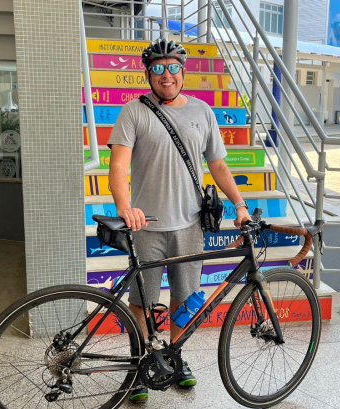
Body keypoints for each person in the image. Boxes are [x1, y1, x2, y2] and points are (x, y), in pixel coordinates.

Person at [108, 38, 251, 403]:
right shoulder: (133, 112)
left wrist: (239, 204)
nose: (166, 75)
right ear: (148, 74)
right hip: (146, 227)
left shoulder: (202, 112)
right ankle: (139, 365)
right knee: (141, 301)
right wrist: (125, 206)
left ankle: (176, 357)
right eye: (158, 68)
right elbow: (119, 165)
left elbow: (218, 165)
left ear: (183, 71)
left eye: (172, 67)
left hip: (189, 225)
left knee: (184, 298)